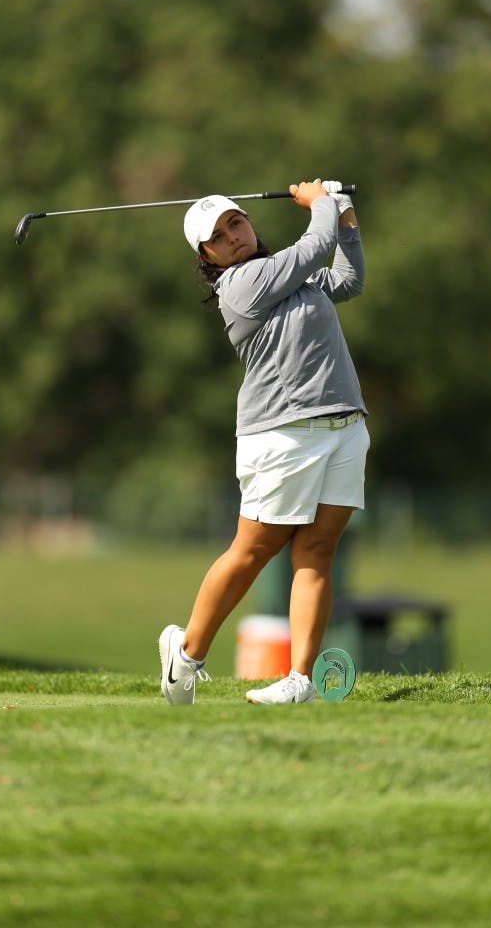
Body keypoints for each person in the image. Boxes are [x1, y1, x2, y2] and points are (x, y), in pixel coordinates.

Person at [159, 179, 369, 705]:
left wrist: (344, 215)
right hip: (283, 434)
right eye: (217, 237)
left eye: (236, 222)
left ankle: (301, 681)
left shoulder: (297, 278)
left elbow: (347, 277)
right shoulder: (242, 284)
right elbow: (313, 246)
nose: (232, 236)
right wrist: (319, 201)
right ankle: (185, 658)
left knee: (317, 551)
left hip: (343, 425)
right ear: (206, 255)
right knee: (253, 550)